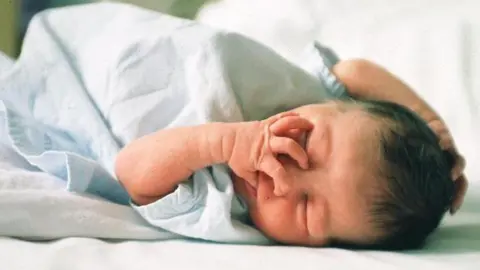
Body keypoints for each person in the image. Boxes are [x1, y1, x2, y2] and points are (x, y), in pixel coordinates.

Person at [115, 58, 468, 250]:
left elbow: (132, 171)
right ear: (336, 104)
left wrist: (224, 143)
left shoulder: (220, 208)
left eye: (305, 208)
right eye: (310, 143)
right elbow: (354, 71)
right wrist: (433, 125)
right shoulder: (300, 93)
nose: (281, 174)